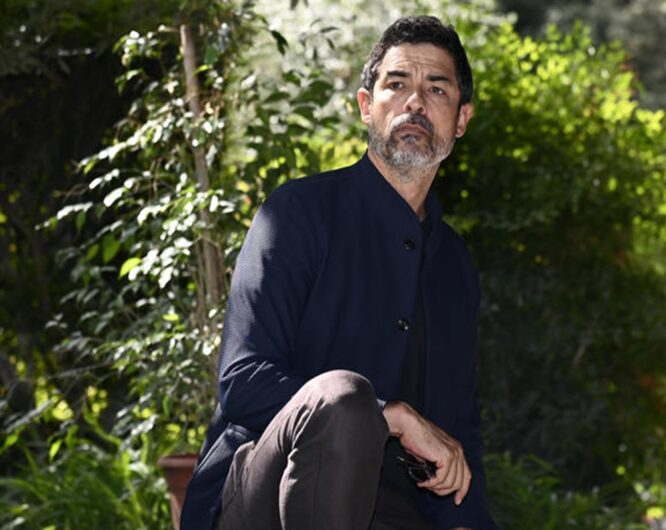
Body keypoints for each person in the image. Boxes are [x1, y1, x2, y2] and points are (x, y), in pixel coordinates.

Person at [180, 15, 498, 530]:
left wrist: (468, 521)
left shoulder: (455, 265)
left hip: (394, 513)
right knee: (345, 399)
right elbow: (242, 382)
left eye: (437, 89)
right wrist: (387, 414)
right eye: (397, 84)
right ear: (366, 106)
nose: (415, 102)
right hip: (262, 497)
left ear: (461, 119)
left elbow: (458, 426)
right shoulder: (297, 213)